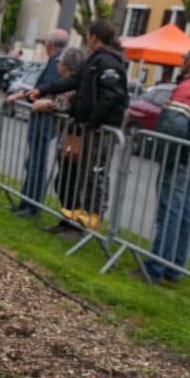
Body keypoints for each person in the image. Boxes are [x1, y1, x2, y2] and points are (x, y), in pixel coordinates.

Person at [29, 20, 128, 234]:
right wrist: (43, 89)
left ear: (93, 36)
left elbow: (112, 95)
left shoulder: (108, 61)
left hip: (99, 130)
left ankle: (84, 226)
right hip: (86, 128)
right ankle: (68, 221)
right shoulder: (94, 59)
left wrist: (92, 121)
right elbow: (73, 81)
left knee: (92, 177)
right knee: (73, 176)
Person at [143, 44, 190, 282]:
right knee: (186, 211)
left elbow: (173, 127)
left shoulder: (188, 87)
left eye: (184, 57)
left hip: (182, 159)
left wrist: (165, 155)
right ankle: (174, 267)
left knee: (170, 210)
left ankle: (156, 265)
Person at [5, 28, 69, 218]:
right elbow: (42, 88)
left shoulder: (56, 62)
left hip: (44, 119)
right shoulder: (56, 61)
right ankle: (26, 202)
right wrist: (24, 94)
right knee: (33, 161)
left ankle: (30, 206)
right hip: (43, 118)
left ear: (49, 44)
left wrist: (28, 95)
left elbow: (46, 89)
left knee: (36, 163)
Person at [27, 48, 85, 237]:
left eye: (60, 62)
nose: (57, 65)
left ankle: (74, 225)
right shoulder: (65, 83)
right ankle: (65, 220)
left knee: (71, 181)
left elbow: (69, 102)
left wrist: (50, 105)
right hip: (68, 136)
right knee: (64, 181)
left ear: (66, 65)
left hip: (77, 137)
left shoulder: (75, 85)